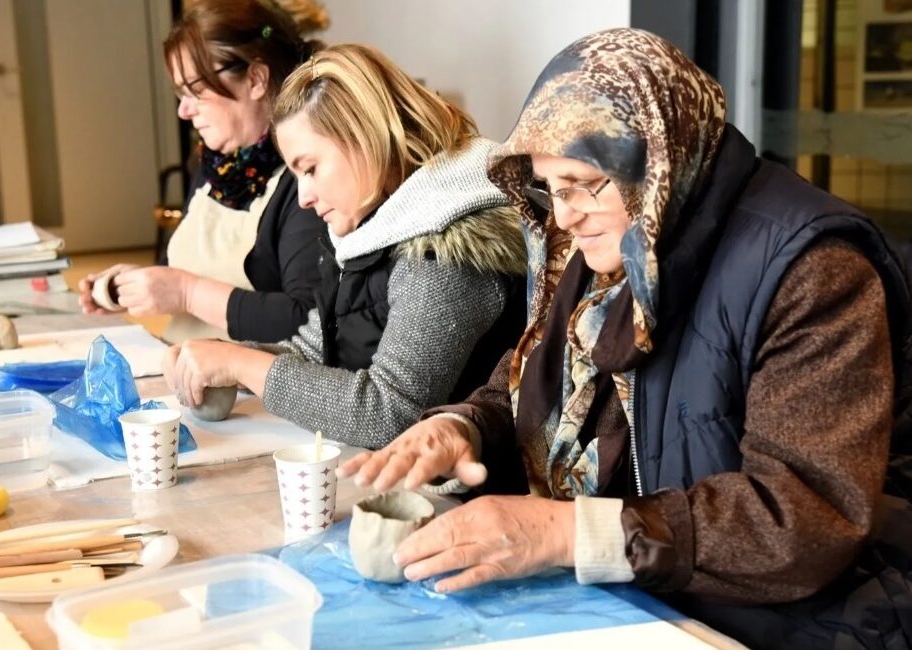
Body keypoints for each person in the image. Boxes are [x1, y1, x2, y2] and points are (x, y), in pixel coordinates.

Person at [338, 28, 912, 648]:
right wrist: (464, 427)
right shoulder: (621, 238)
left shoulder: (813, 269)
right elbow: (534, 377)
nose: (563, 215)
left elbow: (802, 518)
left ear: (659, 156)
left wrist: (562, 533)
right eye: (549, 188)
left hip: (778, 625)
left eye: (583, 182)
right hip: (637, 601)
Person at [163, 43, 526, 448]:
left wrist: (242, 365)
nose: (303, 197)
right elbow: (315, 347)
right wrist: (221, 361)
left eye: (311, 168)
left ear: (364, 137)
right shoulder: (372, 227)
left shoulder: (446, 249)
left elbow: (391, 414)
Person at [78, 0, 328, 344]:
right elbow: (179, 265)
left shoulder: (305, 180)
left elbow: (308, 319)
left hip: (253, 391)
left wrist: (187, 293)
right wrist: (142, 284)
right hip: (185, 372)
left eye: (195, 91)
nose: (183, 111)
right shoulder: (218, 167)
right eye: (180, 94)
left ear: (256, 78)